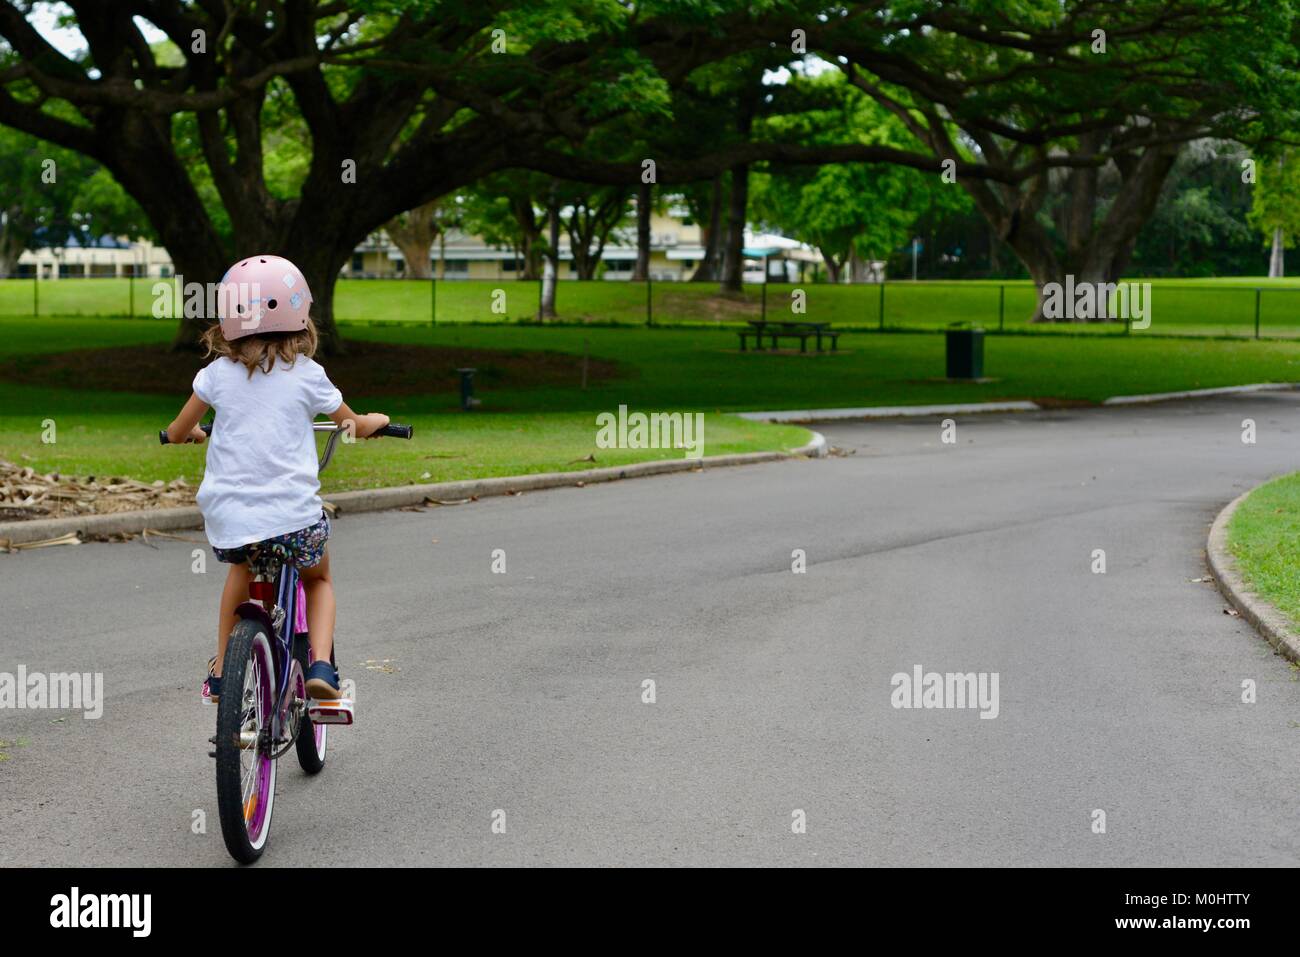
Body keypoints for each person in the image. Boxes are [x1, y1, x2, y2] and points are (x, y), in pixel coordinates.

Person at [165, 255, 388, 703]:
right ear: (300, 316)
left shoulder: (215, 376)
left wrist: (187, 434)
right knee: (318, 578)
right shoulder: (308, 375)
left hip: (231, 520)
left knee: (240, 572)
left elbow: (175, 431)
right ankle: (322, 667)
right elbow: (350, 425)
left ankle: (223, 669)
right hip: (293, 519)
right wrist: (373, 420)